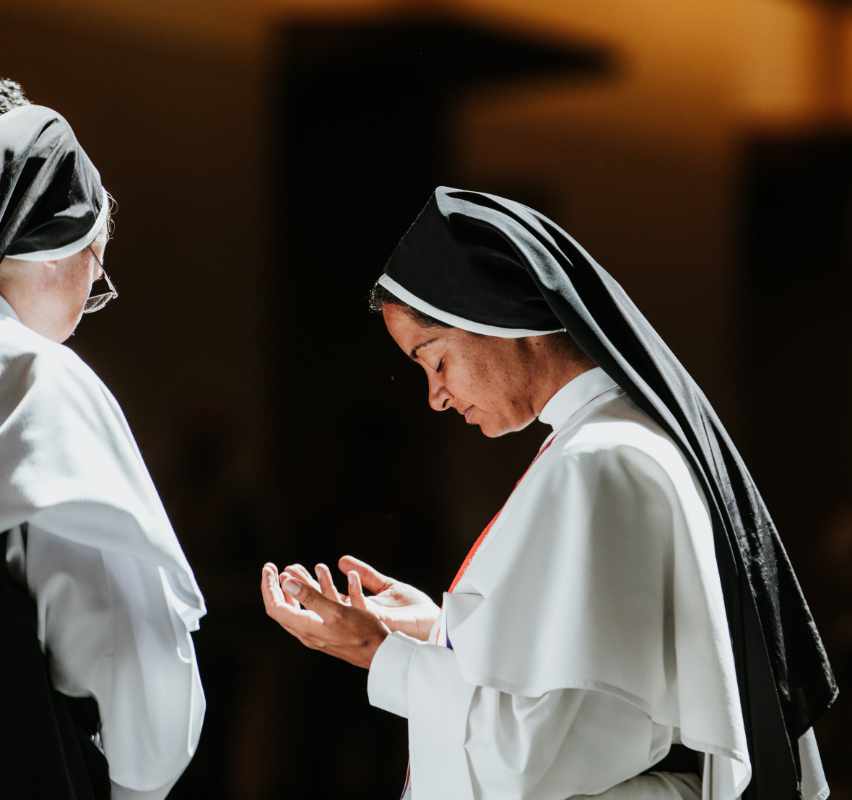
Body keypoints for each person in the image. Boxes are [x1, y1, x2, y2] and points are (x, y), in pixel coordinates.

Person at [260, 186, 836, 799]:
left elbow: (535, 756)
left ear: (497, 320)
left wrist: (381, 655)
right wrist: (437, 632)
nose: (436, 396)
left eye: (435, 360)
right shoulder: (608, 442)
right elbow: (579, 687)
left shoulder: (598, 463)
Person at [0, 80, 205, 799]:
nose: (89, 306)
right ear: (59, 251)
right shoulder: (34, 378)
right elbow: (130, 659)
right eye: (96, 274)